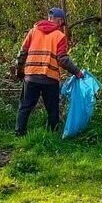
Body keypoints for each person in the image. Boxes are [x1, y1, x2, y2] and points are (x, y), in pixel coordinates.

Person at [15, 8, 83, 136]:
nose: (61, 26)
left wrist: (19, 71)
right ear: (60, 20)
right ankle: (53, 135)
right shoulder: (60, 36)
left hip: (31, 75)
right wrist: (77, 72)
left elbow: (22, 53)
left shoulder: (32, 32)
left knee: (25, 106)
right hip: (49, 78)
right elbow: (62, 59)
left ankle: (19, 133)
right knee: (52, 109)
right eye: (62, 23)